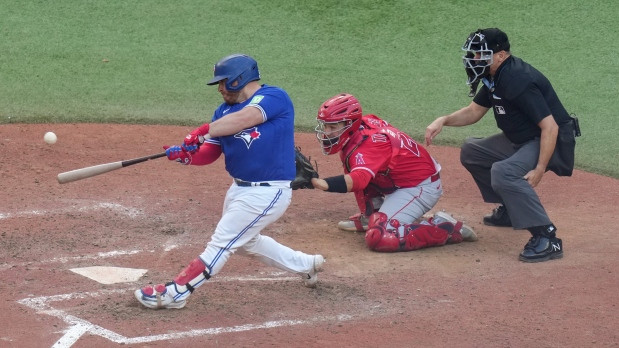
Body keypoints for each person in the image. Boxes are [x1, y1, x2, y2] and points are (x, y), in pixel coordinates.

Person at [135, 54, 324, 309]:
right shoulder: (223, 111)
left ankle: (176, 293)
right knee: (245, 241)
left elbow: (245, 119)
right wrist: (186, 157)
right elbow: (210, 153)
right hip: (239, 189)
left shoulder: (273, 97)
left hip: (268, 193)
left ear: (240, 78)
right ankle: (306, 264)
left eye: (223, 83)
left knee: (222, 243)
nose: (220, 89)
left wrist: (203, 130)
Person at [425, 28, 579, 263]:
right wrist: (444, 120)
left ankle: (547, 237)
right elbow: (474, 112)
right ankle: (510, 209)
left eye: (479, 54)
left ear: (501, 55)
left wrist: (539, 168)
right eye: (473, 54)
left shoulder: (518, 79)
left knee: (503, 172)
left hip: (548, 141)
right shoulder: (495, 76)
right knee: (471, 151)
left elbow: (551, 127)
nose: (474, 59)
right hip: (521, 139)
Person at [310, 93, 477, 253]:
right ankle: (372, 214)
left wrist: (323, 184)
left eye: (333, 127)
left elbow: (359, 180)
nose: (327, 132)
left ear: (351, 124)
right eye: (325, 126)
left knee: (381, 236)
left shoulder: (370, 144)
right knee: (357, 162)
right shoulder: (361, 128)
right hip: (401, 179)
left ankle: (444, 227)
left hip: (419, 186)